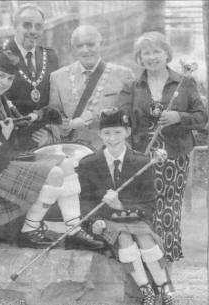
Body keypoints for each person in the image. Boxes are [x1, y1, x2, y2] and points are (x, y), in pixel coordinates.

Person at [0, 49, 103, 250]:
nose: (4, 82)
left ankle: (73, 229)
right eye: (0, 75)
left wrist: (39, 119)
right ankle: (29, 230)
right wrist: (3, 137)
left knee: (66, 163)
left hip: (3, 159)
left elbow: (14, 130)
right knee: (54, 173)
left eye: (9, 78)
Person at [117, 31, 208, 262]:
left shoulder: (185, 82)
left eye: (157, 51)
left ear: (166, 54)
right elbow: (122, 119)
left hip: (174, 155)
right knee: (144, 207)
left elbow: (201, 117)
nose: (152, 57)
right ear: (139, 57)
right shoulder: (132, 85)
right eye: (146, 53)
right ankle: (145, 260)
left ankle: (167, 260)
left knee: (170, 208)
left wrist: (179, 117)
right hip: (141, 156)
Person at [77, 109, 174, 305]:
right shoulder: (88, 164)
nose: (112, 138)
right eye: (107, 133)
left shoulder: (142, 162)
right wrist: (94, 221)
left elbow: (149, 203)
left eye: (117, 132)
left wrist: (121, 205)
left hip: (134, 218)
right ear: (99, 134)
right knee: (123, 236)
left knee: (145, 237)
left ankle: (164, 289)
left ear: (127, 132)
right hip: (105, 221)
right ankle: (146, 291)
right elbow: (84, 202)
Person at [49, 24, 134, 150]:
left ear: (101, 44)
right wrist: (62, 128)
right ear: (73, 49)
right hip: (74, 152)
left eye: (90, 44)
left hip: (111, 150)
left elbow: (129, 117)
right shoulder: (58, 77)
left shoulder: (123, 75)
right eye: (79, 46)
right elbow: (54, 119)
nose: (85, 50)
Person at [2, 3, 60, 147]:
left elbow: (57, 101)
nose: (33, 31)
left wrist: (50, 133)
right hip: (12, 142)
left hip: (46, 138)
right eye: (27, 25)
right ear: (15, 26)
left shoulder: (51, 56)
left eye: (38, 26)